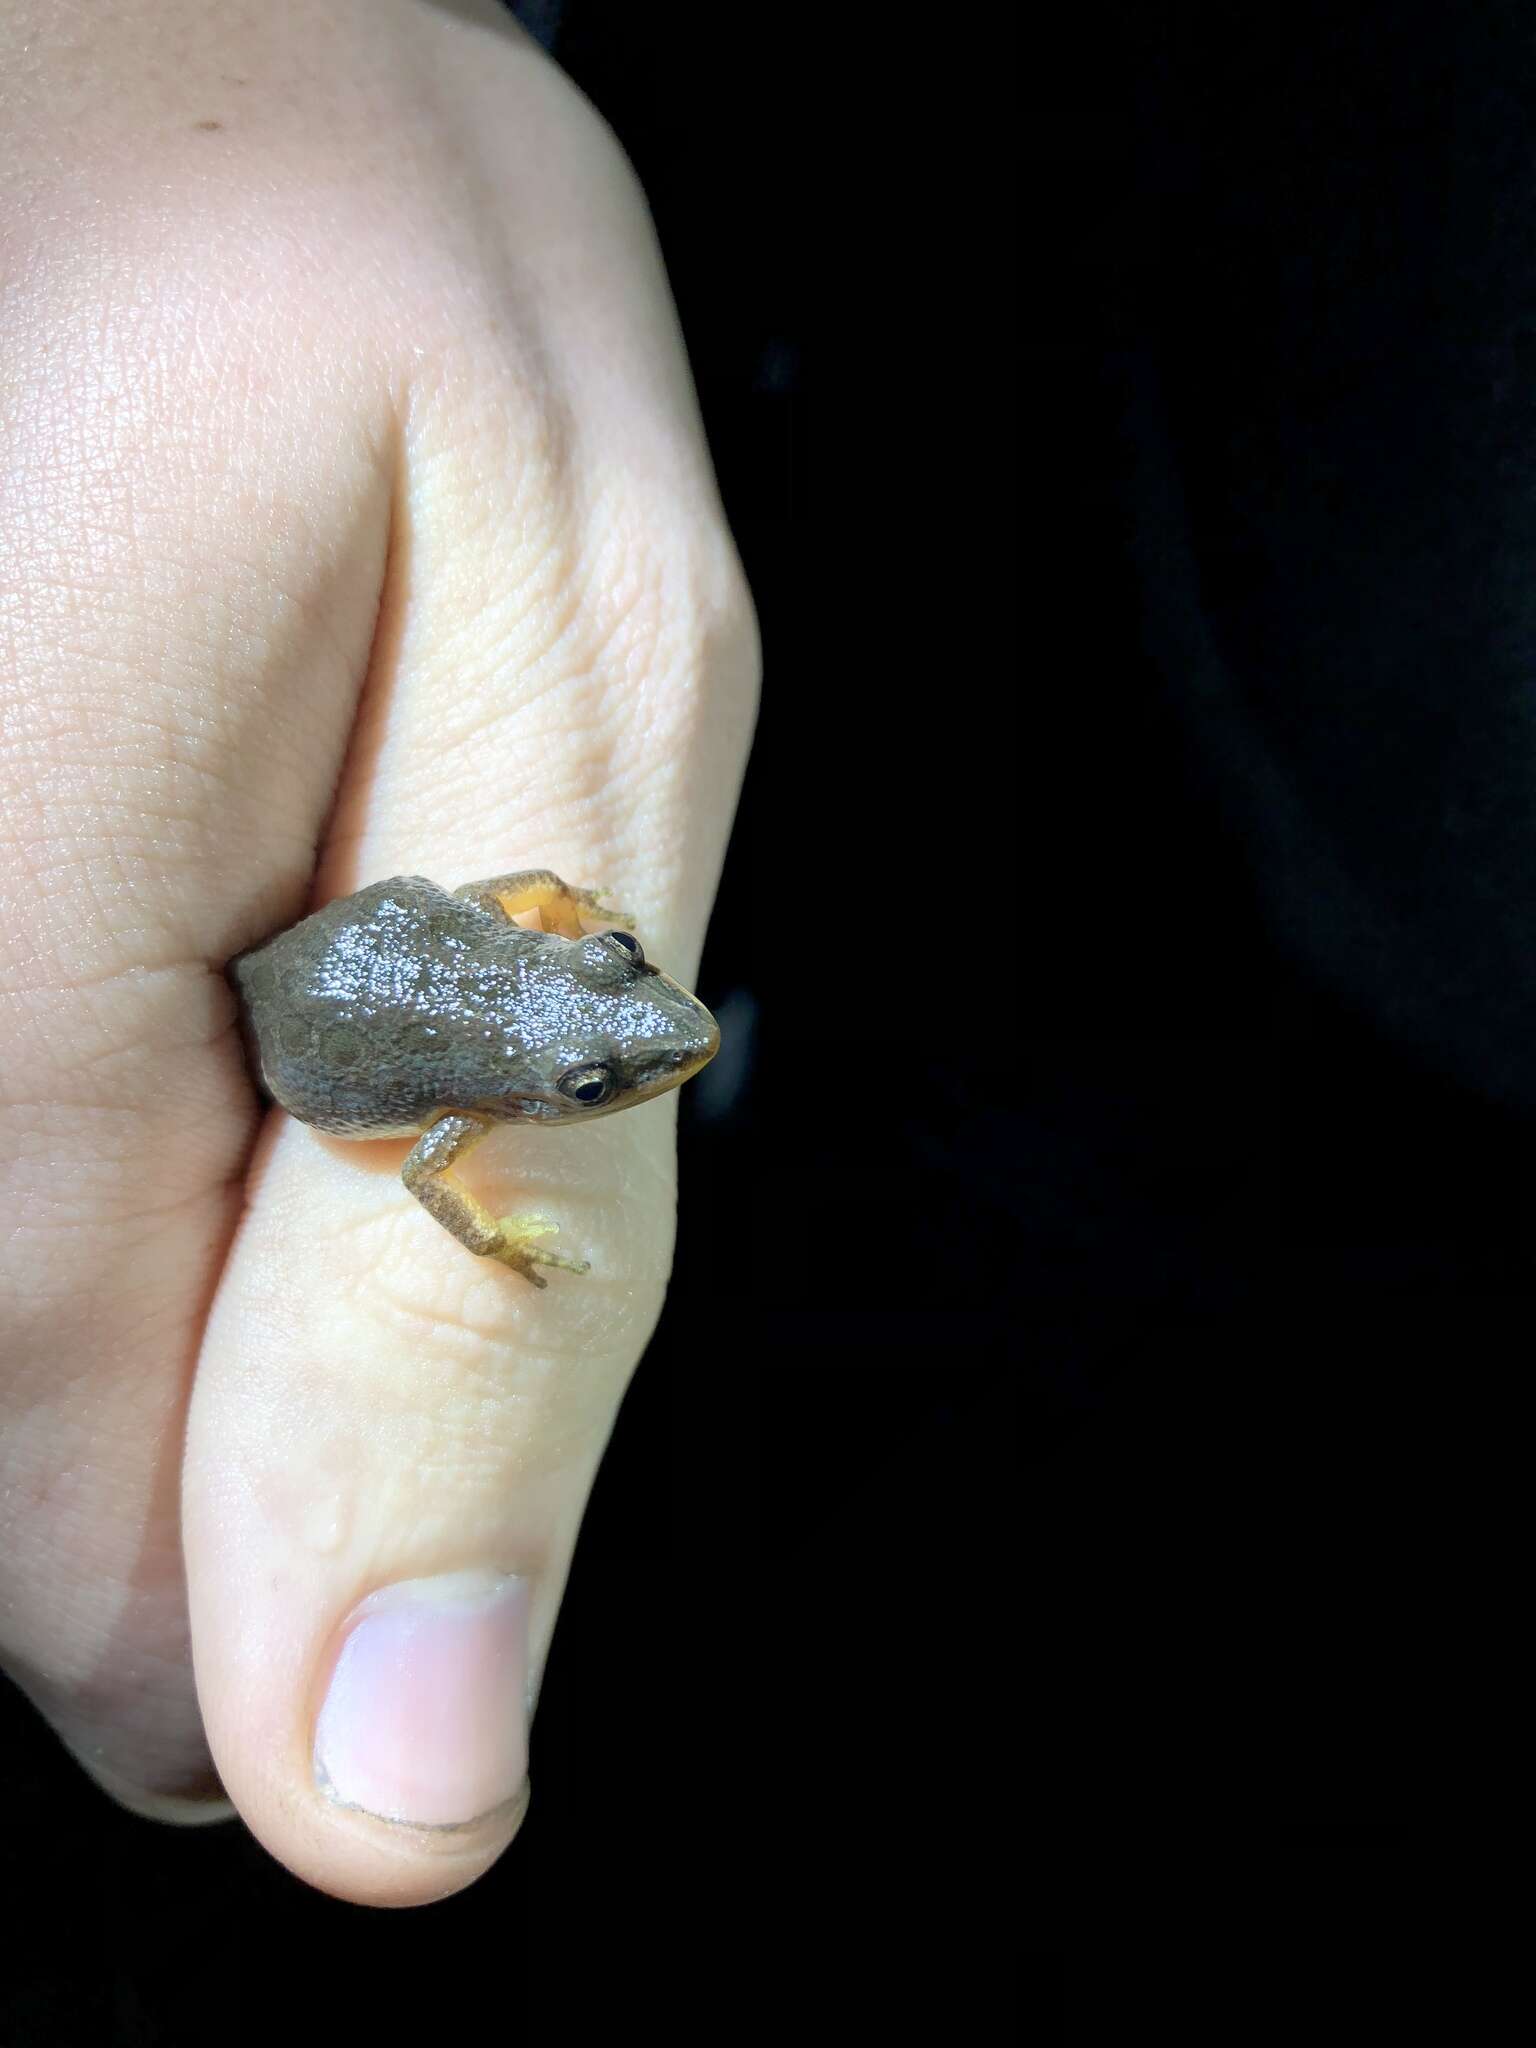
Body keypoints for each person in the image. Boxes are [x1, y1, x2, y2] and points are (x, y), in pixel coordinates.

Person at [0, 0, 757, 1908]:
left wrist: (554, 957)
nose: (638, 1046)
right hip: (309, 1025)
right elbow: (431, 1156)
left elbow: (483, 944)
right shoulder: (457, 1103)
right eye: (608, 1067)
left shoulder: (513, 1018)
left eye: (614, 1049)